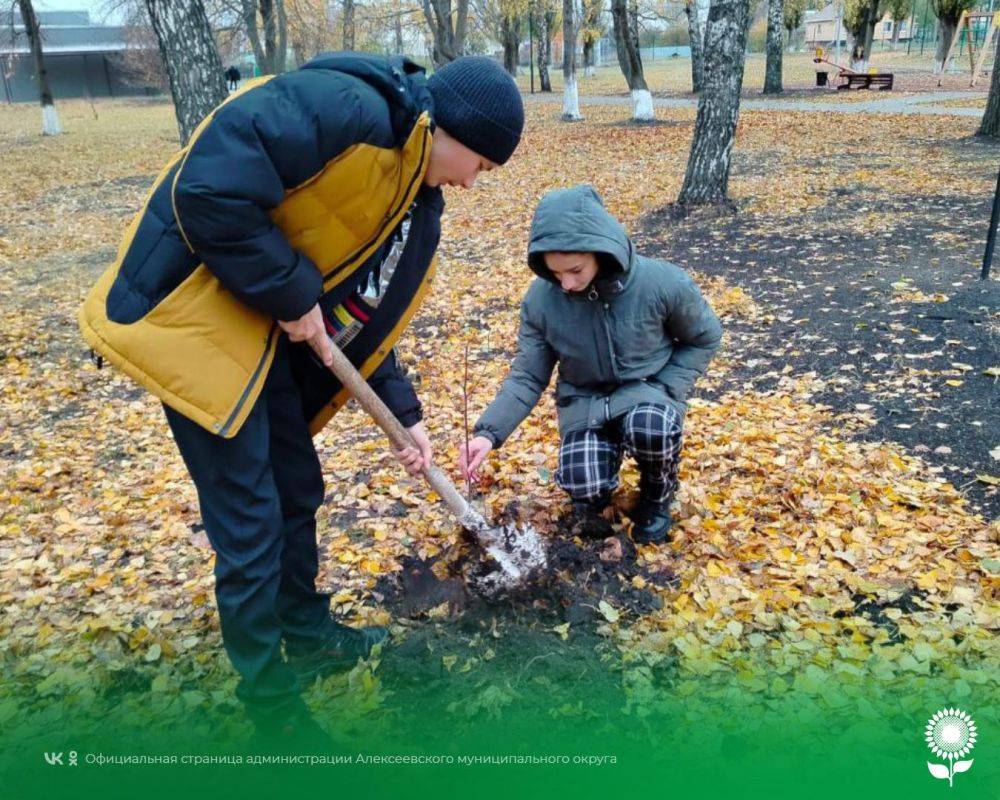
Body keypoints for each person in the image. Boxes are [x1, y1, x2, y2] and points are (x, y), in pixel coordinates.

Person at [78, 53, 523, 744]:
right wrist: (291, 290)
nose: (473, 183)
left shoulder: (412, 196)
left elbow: (359, 314)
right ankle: (273, 707)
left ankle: (307, 637)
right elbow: (206, 190)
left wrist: (408, 418)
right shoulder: (350, 110)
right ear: (457, 132)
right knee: (251, 520)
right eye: (481, 167)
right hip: (192, 318)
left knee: (295, 488)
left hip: (258, 336)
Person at [459, 185, 722, 544]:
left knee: (653, 426)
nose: (566, 284)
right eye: (555, 273)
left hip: (647, 392)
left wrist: (666, 388)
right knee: (581, 480)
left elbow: (704, 337)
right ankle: (599, 501)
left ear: (602, 251)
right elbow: (527, 376)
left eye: (575, 270)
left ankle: (657, 495)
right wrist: (488, 434)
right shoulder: (541, 301)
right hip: (585, 402)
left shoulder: (662, 283)